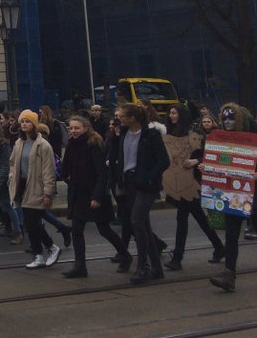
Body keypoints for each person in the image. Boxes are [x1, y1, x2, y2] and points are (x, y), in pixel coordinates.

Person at [60, 115, 129, 277]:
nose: (74, 131)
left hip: (93, 194)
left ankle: (125, 255)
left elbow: (102, 174)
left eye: (77, 128)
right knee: (77, 229)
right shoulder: (71, 144)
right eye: (71, 128)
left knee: (104, 229)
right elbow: (66, 166)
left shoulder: (94, 144)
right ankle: (80, 265)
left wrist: (97, 197)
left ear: (86, 128)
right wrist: (65, 176)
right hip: (78, 193)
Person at [109, 103, 169, 284]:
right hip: (129, 183)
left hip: (146, 185)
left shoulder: (150, 135)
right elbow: (121, 157)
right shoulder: (124, 134)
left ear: (133, 118)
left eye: (123, 116)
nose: (119, 119)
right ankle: (157, 268)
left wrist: (148, 177)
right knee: (143, 225)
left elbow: (163, 161)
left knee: (136, 221)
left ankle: (143, 266)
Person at [162, 104, 224, 271]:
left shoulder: (193, 133)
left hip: (191, 181)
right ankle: (219, 247)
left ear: (181, 115)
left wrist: (197, 161)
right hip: (179, 180)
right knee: (199, 218)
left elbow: (209, 153)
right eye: (171, 112)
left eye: (174, 112)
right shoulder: (171, 132)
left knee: (182, 219)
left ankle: (177, 257)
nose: (171, 115)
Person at [210, 103, 257, 292]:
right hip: (236, 193)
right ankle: (229, 274)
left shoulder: (253, 137)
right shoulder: (220, 138)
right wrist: (208, 168)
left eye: (231, 118)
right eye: (224, 118)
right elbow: (220, 161)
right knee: (231, 234)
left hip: (252, 191)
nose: (227, 121)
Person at [8, 109, 60, 269]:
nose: (24, 124)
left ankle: (51, 247)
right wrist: (11, 177)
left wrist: (48, 192)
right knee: (30, 223)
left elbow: (48, 170)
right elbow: (12, 163)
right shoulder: (19, 143)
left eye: (28, 121)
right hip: (22, 186)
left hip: (37, 187)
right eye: (22, 121)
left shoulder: (43, 145)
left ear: (34, 124)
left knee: (32, 222)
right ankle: (39, 255)